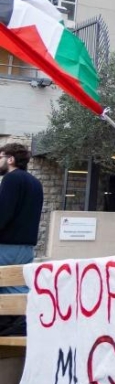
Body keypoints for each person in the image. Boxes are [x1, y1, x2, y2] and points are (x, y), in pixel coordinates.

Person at [0, 143, 42, 336]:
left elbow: (3, 212)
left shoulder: (11, 179)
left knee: (5, 286)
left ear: (10, 159)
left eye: (1, 157)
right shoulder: (35, 183)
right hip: (26, 247)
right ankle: (21, 326)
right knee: (17, 288)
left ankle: (10, 327)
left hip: (6, 245)